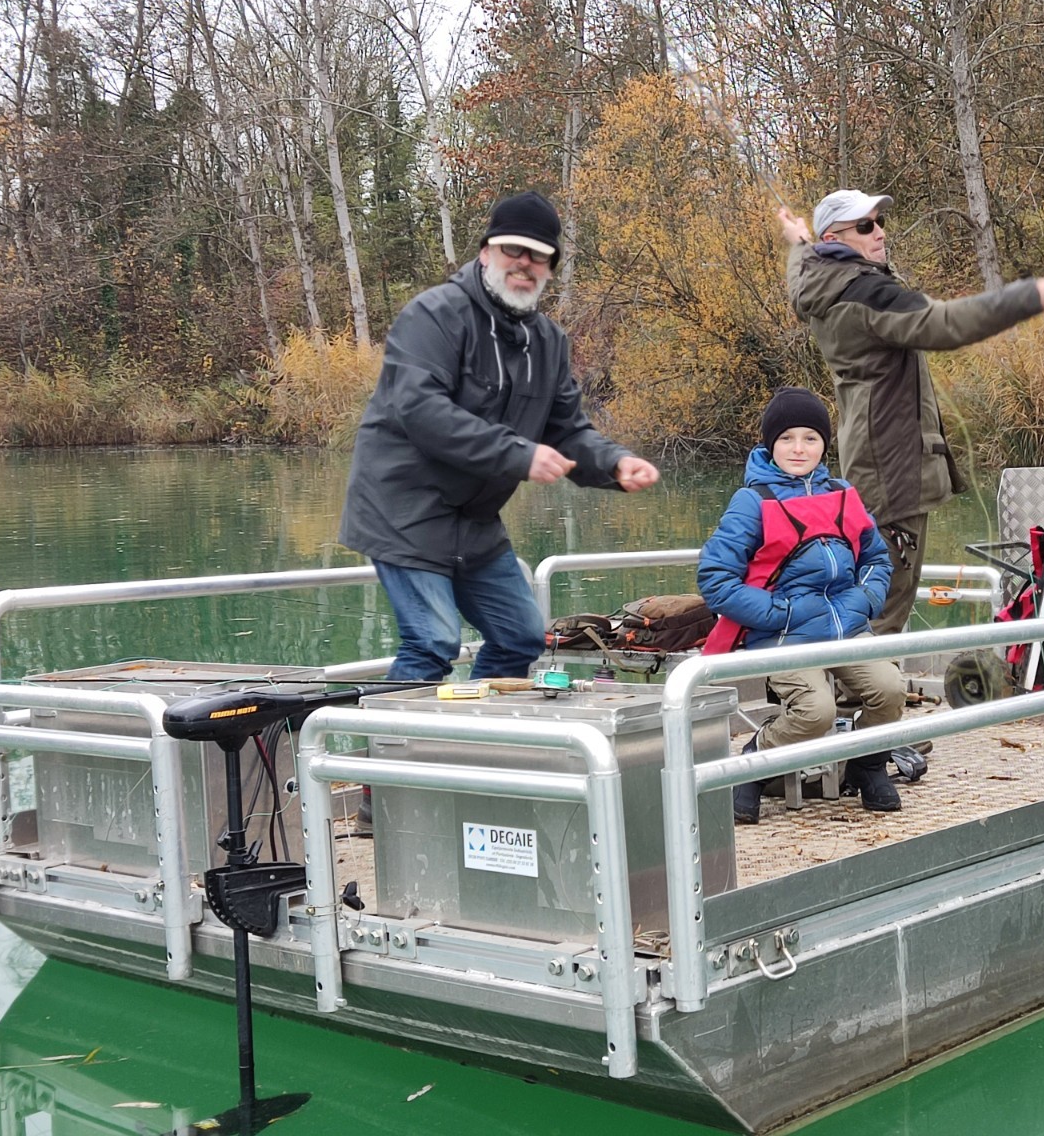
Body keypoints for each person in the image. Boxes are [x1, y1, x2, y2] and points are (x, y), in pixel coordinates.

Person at [340, 190, 660, 684]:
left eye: (539, 257)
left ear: (550, 268)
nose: (524, 265)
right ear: (487, 252)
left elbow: (568, 430)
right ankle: (380, 748)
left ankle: (469, 742)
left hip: (475, 522)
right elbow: (422, 411)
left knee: (520, 636)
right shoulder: (434, 315)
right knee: (432, 642)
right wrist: (518, 454)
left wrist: (615, 464)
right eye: (514, 251)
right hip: (402, 510)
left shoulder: (548, 343)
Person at [777, 191, 1044, 634]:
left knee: (868, 595)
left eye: (879, 222)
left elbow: (800, 268)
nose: (878, 232)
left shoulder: (819, 279)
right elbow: (946, 323)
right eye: (865, 226)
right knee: (885, 609)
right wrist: (1029, 296)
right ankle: (866, 699)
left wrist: (799, 243)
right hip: (893, 467)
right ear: (834, 237)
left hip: (869, 457)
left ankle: (857, 694)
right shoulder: (867, 293)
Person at [698, 387, 907, 824]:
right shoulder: (753, 502)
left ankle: (867, 766)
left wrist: (864, 601)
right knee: (816, 710)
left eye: (810, 438)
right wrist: (783, 614)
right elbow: (716, 582)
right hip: (787, 634)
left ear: (824, 445)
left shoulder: (842, 493)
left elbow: (875, 559)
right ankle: (753, 765)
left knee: (889, 689)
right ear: (770, 445)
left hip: (846, 628)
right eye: (787, 438)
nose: (798, 448)